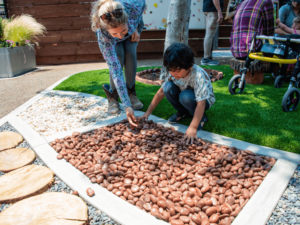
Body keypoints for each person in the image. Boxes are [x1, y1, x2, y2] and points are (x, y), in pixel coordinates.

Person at [142, 43, 215, 144]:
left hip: (203, 100)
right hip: (184, 94)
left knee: (185, 96)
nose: (173, 73)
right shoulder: (172, 71)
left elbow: (201, 102)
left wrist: (192, 127)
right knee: (167, 87)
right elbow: (161, 92)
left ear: (189, 66)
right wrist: (147, 113)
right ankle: (183, 112)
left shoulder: (198, 75)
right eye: (170, 70)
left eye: (177, 71)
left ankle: (201, 117)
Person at [91, 0, 145, 127]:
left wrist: (136, 27)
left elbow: (141, 8)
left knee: (130, 53)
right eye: (115, 33)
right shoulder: (102, 33)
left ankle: (131, 92)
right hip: (115, 33)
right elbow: (116, 70)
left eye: (122, 31)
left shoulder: (135, 5)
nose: (120, 37)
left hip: (133, 25)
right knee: (118, 57)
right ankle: (113, 97)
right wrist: (127, 106)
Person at [201, 0, 224, 66]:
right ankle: (206, 58)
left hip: (208, 9)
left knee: (208, 34)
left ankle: (207, 57)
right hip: (213, 10)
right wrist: (219, 12)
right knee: (209, 34)